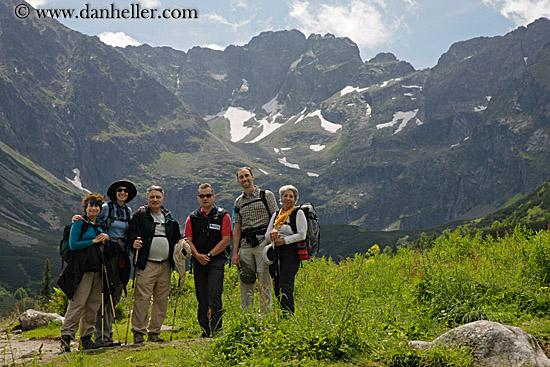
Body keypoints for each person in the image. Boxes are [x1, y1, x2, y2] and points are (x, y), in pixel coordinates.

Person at [127, 185, 181, 344]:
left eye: (158, 197)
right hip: (146, 264)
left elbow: (176, 236)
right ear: (148, 199)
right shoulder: (141, 215)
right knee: (142, 298)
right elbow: (131, 234)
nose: (155, 200)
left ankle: (154, 332)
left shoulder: (168, 217)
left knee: (162, 299)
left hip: (165, 265)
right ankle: (138, 332)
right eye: (152, 197)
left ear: (163, 199)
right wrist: (133, 243)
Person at [59, 193, 110, 352]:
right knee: (78, 303)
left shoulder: (100, 224)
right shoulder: (79, 223)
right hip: (82, 269)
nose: (94, 208)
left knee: (93, 304)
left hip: (97, 269)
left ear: (100, 208)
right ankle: (66, 337)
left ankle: (86, 338)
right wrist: (93, 241)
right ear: (85, 208)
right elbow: (74, 245)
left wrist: (106, 237)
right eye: (91, 205)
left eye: (96, 205)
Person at [184, 183, 231, 337]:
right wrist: (198, 256)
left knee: (215, 295)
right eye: (202, 196)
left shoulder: (223, 215)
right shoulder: (192, 217)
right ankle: (205, 330)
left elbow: (225, 240)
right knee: (202, 297)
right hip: (198, 261)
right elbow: (188, 239)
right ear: (198, 198)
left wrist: (209, 255)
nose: (205, 198)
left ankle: (217, 330)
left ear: (213, 197)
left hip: (216, 261)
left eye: (208, 195)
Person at [94, 180, 136, 346]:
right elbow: (95, 223)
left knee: (116, 293)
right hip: (108, 254)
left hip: (122, 256)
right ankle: (101, 336)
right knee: (105, 294)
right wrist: (102, 235)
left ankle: (108, 334)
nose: (122, 193)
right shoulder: (106, 208)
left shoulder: (128, 211)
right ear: (115, 192)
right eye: (119, 190)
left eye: (125, 191)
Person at [231, 167, 278, 315]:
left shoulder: (266, 195)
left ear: (253, 177)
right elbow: (237, 228)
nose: (245, 179)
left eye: (247, 176)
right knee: (246, 281)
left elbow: (276, 217)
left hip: (263, 244)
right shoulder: (238, 202)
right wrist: (235, 252)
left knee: (264, 281)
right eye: (241, 177)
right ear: (238, 181)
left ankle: (266, 317)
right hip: (245, 246)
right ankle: (247, 318)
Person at [264, 185, 307, 315]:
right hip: (276, 252)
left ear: (295, 199)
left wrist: (284, 240)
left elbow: (302, 234)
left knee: (285, 284)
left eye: (291, 196)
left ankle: (288, 316)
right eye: (285, 195)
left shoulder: (298, 213)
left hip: (291, 253)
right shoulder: (276, 215)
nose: (287, 198)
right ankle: (283, 314)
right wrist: (273, 236)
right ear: (281, 198)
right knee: (276, 284)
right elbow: (266, 236)